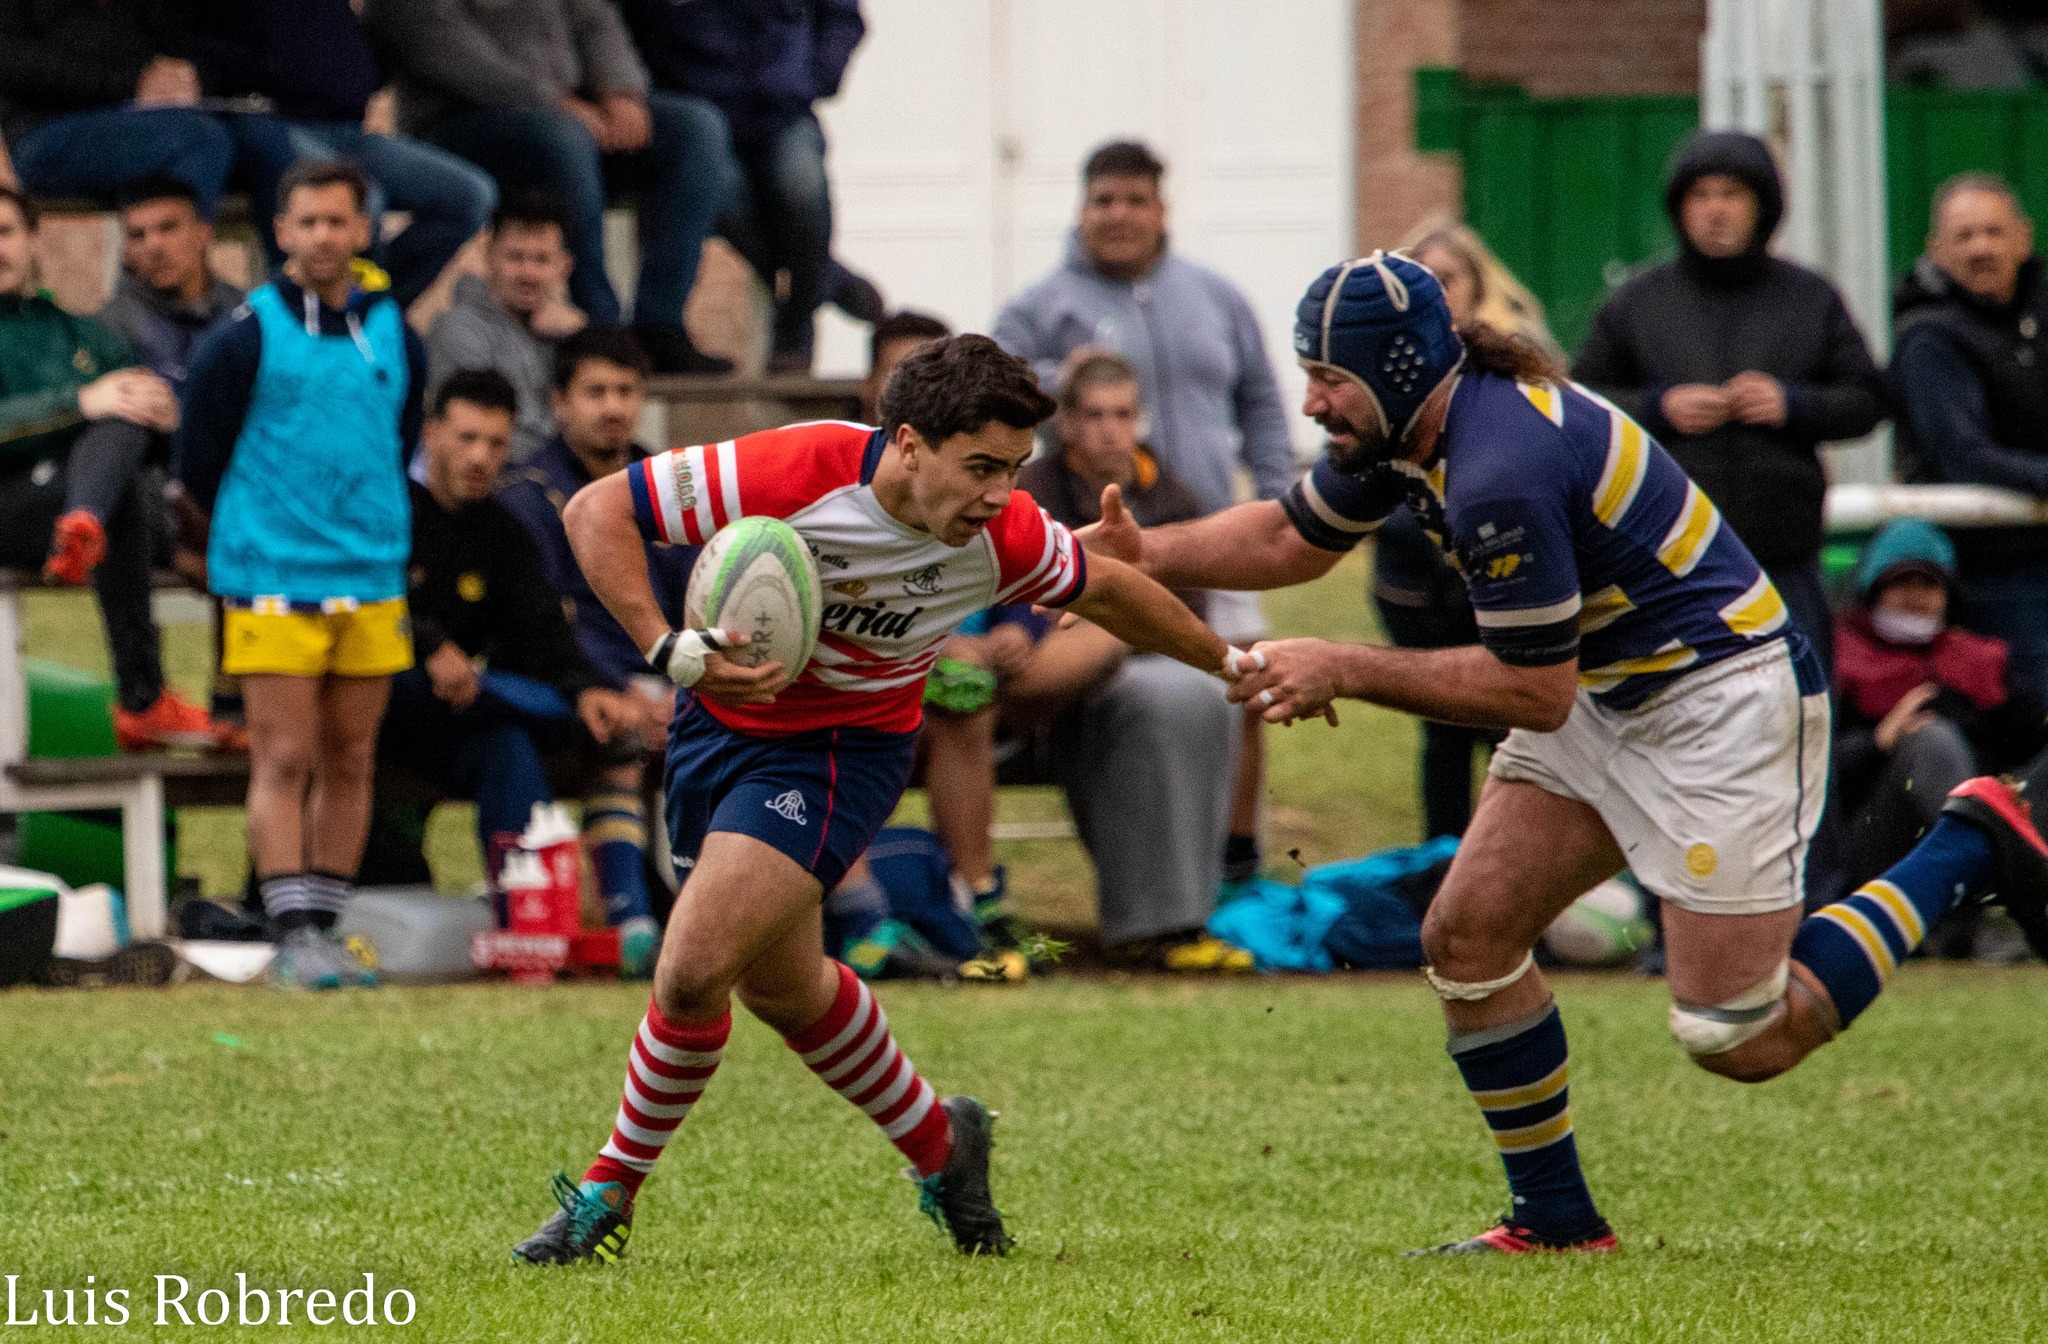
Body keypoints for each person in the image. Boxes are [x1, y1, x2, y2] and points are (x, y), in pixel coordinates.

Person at [1082, 250, 2048, 1254]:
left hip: (1718, 700)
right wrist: (1148, 552)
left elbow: (1529, 692)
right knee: (1465, 938)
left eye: (1329, 378)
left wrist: (1344, 666)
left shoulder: (1501, 466)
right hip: (1607, 687)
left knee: (1739, 1035)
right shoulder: (1411, 428)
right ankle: (1554, 1221)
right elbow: (1293, 537)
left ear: (1397, 370)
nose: (1312, 401)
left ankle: (1967, 838)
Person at [512, 334, 1238, 1266]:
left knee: (692, 971)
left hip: (837, 755)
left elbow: (1114, 592)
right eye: (979, 467)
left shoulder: (1003, 533)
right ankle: (945, 1145)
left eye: (1014, 471)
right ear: (905, 444)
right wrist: (669, 649)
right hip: (716, 731)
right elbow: (595, 509)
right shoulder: (798, 468)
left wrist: (1232, 665)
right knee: (789, 991)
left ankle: (606, 1192)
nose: (997, 496)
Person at [993, 139, 1294, 882]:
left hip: (1217, 531)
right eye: (1104, 201)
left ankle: (1238, 854)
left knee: (1244, 689)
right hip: (1094, 534)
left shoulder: (1216, 298)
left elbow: (1259, 398)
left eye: (1135, 201)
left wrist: (1281, 499)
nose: (1119, 215)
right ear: (1081, 209)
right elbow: (994, 397)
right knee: (1149, 687)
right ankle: (1165, 859)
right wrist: (1061, 384)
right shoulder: (1041, 307)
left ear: (1162, 210)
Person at [179, 160, 425, 992]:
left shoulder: (395, 327)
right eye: (306, 222)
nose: (323, 236)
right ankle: (289, 932)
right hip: (274, 572)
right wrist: (254, 531)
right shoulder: (247, 332)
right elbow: (198, 453)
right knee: (284, 754)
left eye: (338, 221)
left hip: (373, 573)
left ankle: (326, 923)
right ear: (280, 233)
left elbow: (403, 428)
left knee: (352, 756)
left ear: (363, 230)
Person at [1573, 130, 1887, 676]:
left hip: (1783, 562)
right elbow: (1579, 404)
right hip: (1665, 566)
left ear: (1763, 205)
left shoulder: (1810, 298)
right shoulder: (1638, 303)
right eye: (1701, 195)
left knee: (1800, 719)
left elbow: (1869, 399)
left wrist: (1791, 405)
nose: (1715, 210)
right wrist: (1658, 409)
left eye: (1732, 194)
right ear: (1679, 208)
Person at [383, 368, 655, 960]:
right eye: (467, 438)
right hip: (380, 710)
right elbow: (366, 596)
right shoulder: (390, 510)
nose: (481, 457)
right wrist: (426, 644)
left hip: (468, 715)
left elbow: (543, 634)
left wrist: (586, 686)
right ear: (431, 435)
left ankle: (531, 931)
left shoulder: (506, 532)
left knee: (509, 743)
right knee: (498, 705)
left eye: (496, 443)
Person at [1014, 351, 1245, 967]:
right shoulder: (1030, 492)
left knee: (1201, 696)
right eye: (1093, 415)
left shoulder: (1172, 495)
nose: (1110, 429)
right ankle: (1151, 922)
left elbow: (1190, 613)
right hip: (1049, 682)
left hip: (1150, 660)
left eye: (1123, 413)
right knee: (1158, 698)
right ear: (1065, 423)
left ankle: (1185, 914)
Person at [366, 0, 734, 373]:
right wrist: (552, 102)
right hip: (462, 121)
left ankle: (659, 325)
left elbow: (594, 19)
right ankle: (598, 324)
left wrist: (620, 92)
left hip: (569, 118)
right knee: (565, 138)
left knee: (696, 128)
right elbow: (446, 50)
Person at [0, 184, 235, 750]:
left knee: (126, 432)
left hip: (70, 509)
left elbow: (141, 451)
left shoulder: (85, 336)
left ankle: (82, 525)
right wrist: (80, 405)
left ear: (34, 240)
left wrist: (162, 417)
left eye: (5, 233)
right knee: (112, 423)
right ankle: (143, 698)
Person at [498, 327, 691, 979]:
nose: (613, 406)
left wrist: (685, 688)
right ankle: (631, 923)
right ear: (559, 403)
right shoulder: (527, 497)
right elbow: (543, 623)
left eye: (626, 391)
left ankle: (740, 922)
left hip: (671, 682)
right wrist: (619, 688)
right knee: (621, 736)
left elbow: (700, 601)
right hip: (573, 686)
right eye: (596, 391)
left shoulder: (670, 490)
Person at [1369, 223, 1556, 839]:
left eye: (1446, 279)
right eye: (1420, 280)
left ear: (1477, 287)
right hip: (1420, 586)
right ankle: (1442, 861)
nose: (1436, 294)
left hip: (1505, 574)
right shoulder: (1387, 369)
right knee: (1442, 727)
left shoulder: (1518, 363)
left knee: (1520, 730)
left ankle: (1520, 875)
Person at [162, 0, 497, 309]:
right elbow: (187, 41)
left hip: (347, 128)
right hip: (272, 124)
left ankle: (373, 311)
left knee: (471, 195)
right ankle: (332, 319)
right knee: (362, 201)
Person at [619, 0, 877, 374]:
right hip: (696, 112)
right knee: (722, 203)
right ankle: (827, 278)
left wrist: (813, 77)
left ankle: (798, 316)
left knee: (802, 190)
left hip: (784, 110)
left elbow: (841, 17)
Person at [1833, 518, 2047, 957]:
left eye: (1929, 585)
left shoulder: (1982, 660)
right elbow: (1814, 774)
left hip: (1989, 815)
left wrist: (1980, 717)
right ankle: (1999, 892)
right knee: (1933, 740)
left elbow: (2028, 742)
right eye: (1902, 583)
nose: (1916, 598)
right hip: (1878, 846)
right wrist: (1879, 741)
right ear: (1874, 589)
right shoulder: (1840, 658)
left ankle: (2000, 891)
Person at [1892, 172, 2048, 678]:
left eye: (1994, 231)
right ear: (1935, 250)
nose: (1981, 247)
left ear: (2024, 237)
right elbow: (1963, 453)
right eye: (1964, 235)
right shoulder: (1926, 337)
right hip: (1990, 574)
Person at [0, 0, 237, 217]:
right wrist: (134, 83)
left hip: (142, 117)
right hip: (40, 130)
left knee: (262, 139)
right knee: (199, 138)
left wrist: (187, 76)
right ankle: (171, 258)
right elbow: (19, 64)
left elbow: (184, 43)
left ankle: (273, 261)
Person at [428, 193, 586, 465]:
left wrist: (581, 337)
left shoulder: (570, 330)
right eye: (515, 257)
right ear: (489, 256)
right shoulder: (457, 330)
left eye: (541, 260)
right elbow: (490, 435)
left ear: (564, 266)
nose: (528, 273)